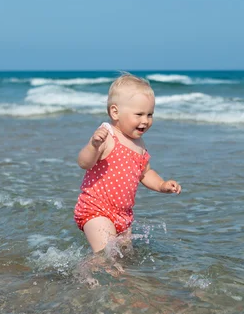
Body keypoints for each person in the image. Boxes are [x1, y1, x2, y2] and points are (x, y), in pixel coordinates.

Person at [74, 73, 181, 254]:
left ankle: (116, 280)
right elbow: (84, 163)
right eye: (139, 114)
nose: (145, 120)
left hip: (123, 216)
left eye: (150, 114)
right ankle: (85, 278)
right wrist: (93, 146)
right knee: (107, 255)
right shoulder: (107, 136)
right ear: (115, 112)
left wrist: (162, 185)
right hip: (96, 209)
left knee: (125, 257)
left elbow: (145, 173)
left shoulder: (139, 145)